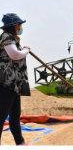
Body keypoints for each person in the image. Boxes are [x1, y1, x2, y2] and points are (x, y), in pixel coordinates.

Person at [0, 13, 32, 146]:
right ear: (13, 26)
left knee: (14, 115)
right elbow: (14, 55)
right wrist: (26, 50)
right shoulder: (6, 37)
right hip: (7, 83)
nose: (20, 26)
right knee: (1, 116)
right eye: (19, 24)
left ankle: (20, 142)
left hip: (15, 84)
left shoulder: (13, 38)